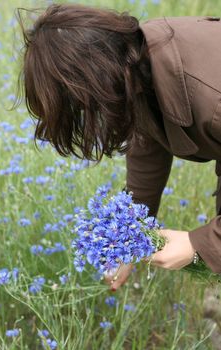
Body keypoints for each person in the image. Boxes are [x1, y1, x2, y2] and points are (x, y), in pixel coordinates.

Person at [16, 3, 221, 291]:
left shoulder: (212, 98)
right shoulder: (138, 64)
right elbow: (149, 138)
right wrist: (127, 234)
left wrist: (198, 244)